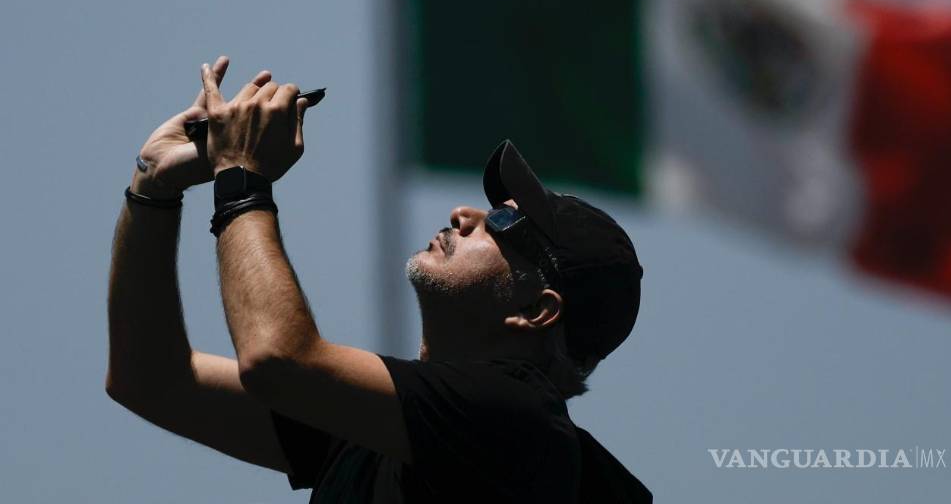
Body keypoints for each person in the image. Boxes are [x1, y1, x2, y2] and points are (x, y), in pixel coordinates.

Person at [106, 56, 652, 502]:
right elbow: (151, 381)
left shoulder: (514, 418)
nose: (465, 213)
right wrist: (152, 186)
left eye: (507, 224)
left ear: (537, 310)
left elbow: (276, 360)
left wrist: (242, 175)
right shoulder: (380, 427)